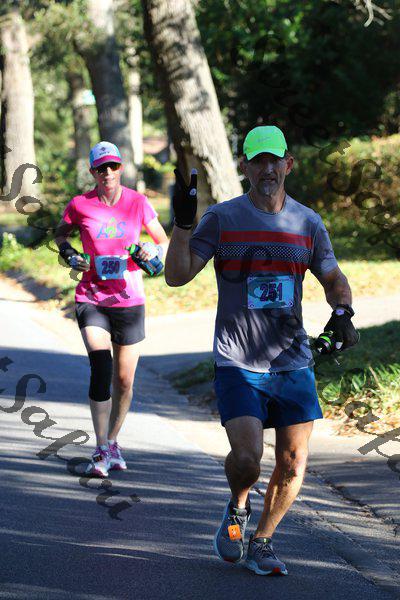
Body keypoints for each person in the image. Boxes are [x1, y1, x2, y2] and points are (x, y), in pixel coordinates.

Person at [164, 126, 359, 576]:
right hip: (238, 360)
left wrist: (343, 313)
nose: (267, 169)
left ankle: (263, 541)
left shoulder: (307, 222)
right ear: (245, 167)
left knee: (293, 461)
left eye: (275, 160)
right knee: (248, 460)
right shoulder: (223, 218)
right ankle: (237, 505)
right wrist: (183, 225)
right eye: (258, 161)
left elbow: (333, 277)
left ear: (288, 164)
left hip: (293, 362)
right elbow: (176, 276)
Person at [55, 141, 168, 478]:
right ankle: (101, 446)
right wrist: (70, 254)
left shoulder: (138, 202)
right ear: (92, 172)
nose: (107, 172)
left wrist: (149, 251)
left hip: (129, 300)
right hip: (91, 297)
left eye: (113, 166)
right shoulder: (80, 204)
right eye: (101, 168)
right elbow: (61, 236)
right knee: (101, 366)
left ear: (121, 168)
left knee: (124, 380)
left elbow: (162, 241)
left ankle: (114, 440)